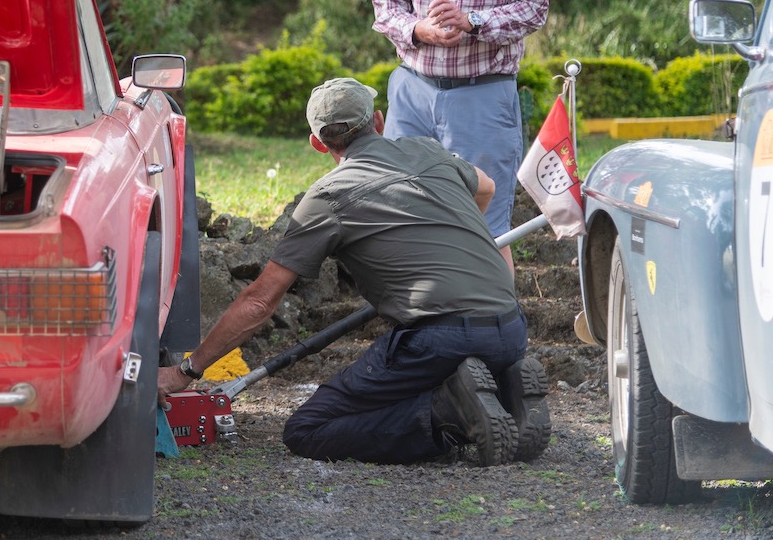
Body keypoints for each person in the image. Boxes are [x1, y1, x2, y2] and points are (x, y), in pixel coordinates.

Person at [157, 77, 550, 466]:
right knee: (435, 368)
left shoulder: (328, 196)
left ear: (317, 143)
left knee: (307, 430)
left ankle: (448, 413)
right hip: (511, 329)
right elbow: (486, 187)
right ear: (378, 121)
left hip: (440, 340)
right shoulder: (429, 151)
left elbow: (260, 301)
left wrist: (187, 370)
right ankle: (500, 389)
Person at [371, 0, 548, 272]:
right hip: (413, 92)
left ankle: (495, 329)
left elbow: (534, 7)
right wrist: (419, 29)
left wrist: (472, 22)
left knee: (485, 224)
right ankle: (418, 321)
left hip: (482, 95)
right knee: (403, 213)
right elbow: (384, 4)